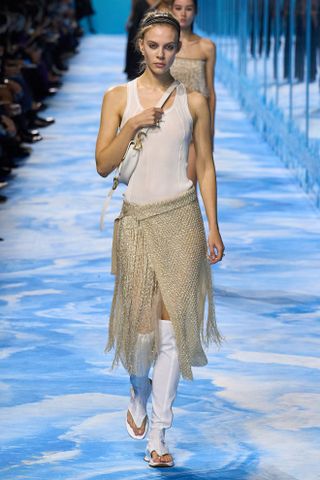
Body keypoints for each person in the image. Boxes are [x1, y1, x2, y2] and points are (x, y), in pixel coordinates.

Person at [95, 10, 224, 468]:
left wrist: (213, 225)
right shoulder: (117, 97)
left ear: (177, 48)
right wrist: (131, 125)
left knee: (172, 334)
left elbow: (205, 165)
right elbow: (103, 165)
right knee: (143, 333)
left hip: (182, 220)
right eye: (154, 45)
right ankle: (139, 389)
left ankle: (161, 433)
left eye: (170, 46)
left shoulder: (193, 103)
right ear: (140, 46)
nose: (162, 53)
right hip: (137, 224)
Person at [170, 0, 216, 184]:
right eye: (178, 9)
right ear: (171, 10)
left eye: (188, 9)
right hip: (169, 119)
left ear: (196, 12)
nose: (183, 14)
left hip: (197, 121)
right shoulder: (164, 46)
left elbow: (210, 91)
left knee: (189, 185)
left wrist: (210, 128)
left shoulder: (207, 47)